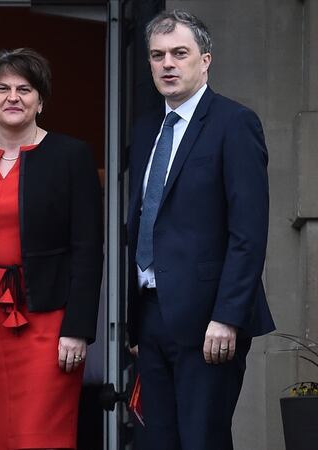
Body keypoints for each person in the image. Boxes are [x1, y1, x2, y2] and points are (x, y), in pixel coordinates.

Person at [0, 48, 103, 450]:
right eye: (2, 88)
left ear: (40, 100)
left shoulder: (72, 156)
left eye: (25, 89)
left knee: (41, 432)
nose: (13, 97)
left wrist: (78, 330)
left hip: (49, 317)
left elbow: (88, 248)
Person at [126, 10, 275, 450]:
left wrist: (227, 316)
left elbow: (248, 233)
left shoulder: (235, 123)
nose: (167, 64)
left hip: (210, 320)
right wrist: (137, 326)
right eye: (157, 55)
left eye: (180, 53)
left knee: (202, 440)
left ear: (205, 60)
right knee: (157, 443)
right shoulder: (146, 127)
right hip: (152, 315)